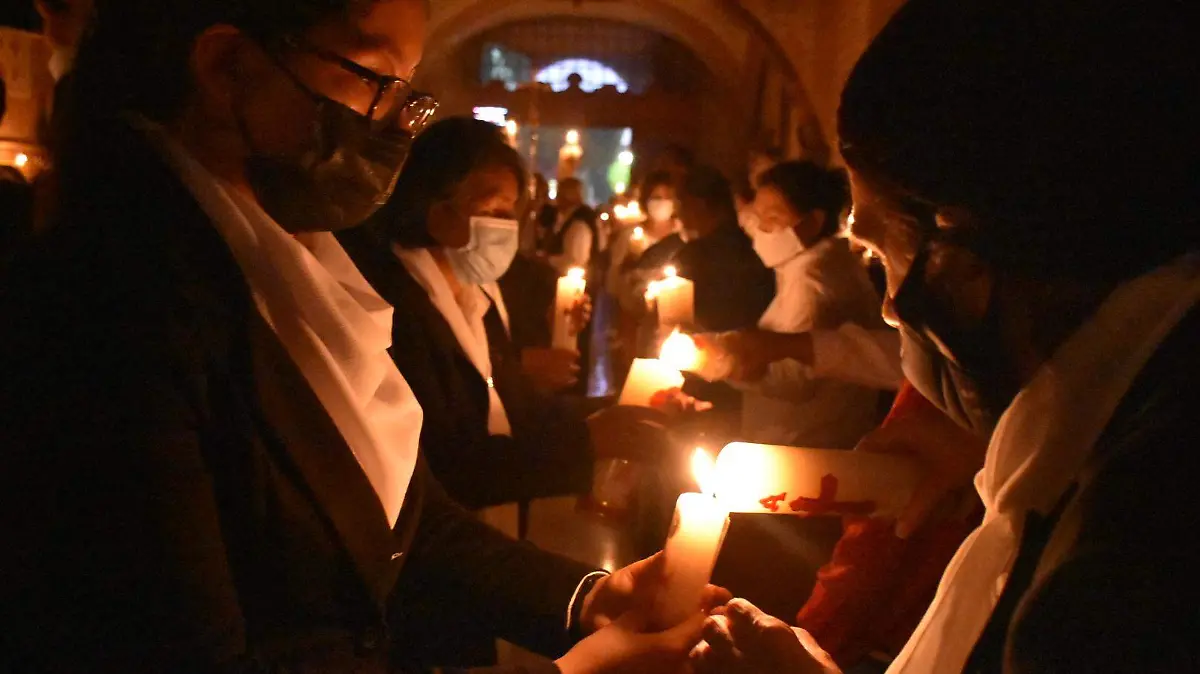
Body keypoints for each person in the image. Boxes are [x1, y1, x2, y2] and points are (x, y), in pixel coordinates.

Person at [0, 1, 723, 671]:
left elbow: (405, 526)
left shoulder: (300, 261)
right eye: (377, 80)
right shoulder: (112, 306)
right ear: (228, 68)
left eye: (410, 90)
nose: (400, 119)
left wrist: (591, 600)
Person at [694, 0, 1199, 672]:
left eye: (883, 255)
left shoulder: (1120, 578)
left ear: (959, 242)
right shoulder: (1120, 419)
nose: (891, 310)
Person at [697, 161, 892, 448]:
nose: (762, 230)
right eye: (759, 218)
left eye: (774, 218)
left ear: (812, 222)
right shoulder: (813, 265)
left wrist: (720, 361)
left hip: (805, 442)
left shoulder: (813, 283)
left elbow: (794, 382)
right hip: (806, 438)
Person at [673, 165, 775, 333]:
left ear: (699, 204)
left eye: (681, 202)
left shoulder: (694, 258)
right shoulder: (751, 247)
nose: (677, 213)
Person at [544, 176, 597, 275]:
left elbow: (575, 261)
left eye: (559, 194)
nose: (556, 199)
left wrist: (548, 259)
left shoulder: (579, 224)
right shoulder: (567, 219)